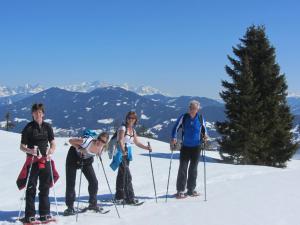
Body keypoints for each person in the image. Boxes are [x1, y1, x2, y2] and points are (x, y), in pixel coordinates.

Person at [18, 103, 58, 223]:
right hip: (32, 161)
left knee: (45, 187)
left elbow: (53, 142)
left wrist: (51, 150)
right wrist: (30, 150)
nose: (38, 114)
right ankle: (29, 215)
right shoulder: (28, 127)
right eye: (35, 112)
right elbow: (21, 146)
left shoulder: (47, 127)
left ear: (43, 114)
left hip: (45, 160)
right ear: (32, 114)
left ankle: (44, 214)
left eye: (40, 112)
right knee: (31, 188)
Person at [110, 111, 152, 205]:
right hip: (121, 153)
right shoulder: (122, 128)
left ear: (135, 120)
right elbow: (120, 140)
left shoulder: (133, 131)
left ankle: (119, 196)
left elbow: (137, 142)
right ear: (126, 118)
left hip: (127, 153)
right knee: (127, 176)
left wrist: (147, 148)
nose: (131, 120)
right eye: (129, 118)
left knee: (122, 175)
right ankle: (130, 198)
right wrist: (123, 150)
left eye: (133, 118)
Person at [64, 131, 109, 216]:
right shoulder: (86, 141)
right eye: (99, 139)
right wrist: (80, 148)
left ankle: (93, 204)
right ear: (97, 138)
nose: (100, 142)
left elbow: (95, 152)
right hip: (72, 158)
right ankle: (70, 207)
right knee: (71, 183)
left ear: (105, 143)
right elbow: (70, 141)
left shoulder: (101, 147)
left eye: (103, 142)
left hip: (86, 161)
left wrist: (98, 154)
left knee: (94, 182)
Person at [171, 100, 208, 198]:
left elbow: (204, 130)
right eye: (191, 108)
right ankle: (180, 190)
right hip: (185, 147)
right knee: (183, 168)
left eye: (194, 108)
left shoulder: (200, 118)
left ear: (198, 109)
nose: (192, 110)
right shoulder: (184, 117)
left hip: (197, 147)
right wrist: (174, 137)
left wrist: (205, 136)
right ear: (189, 108)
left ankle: (191, 190)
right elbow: (175, 128)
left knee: (193, 169)